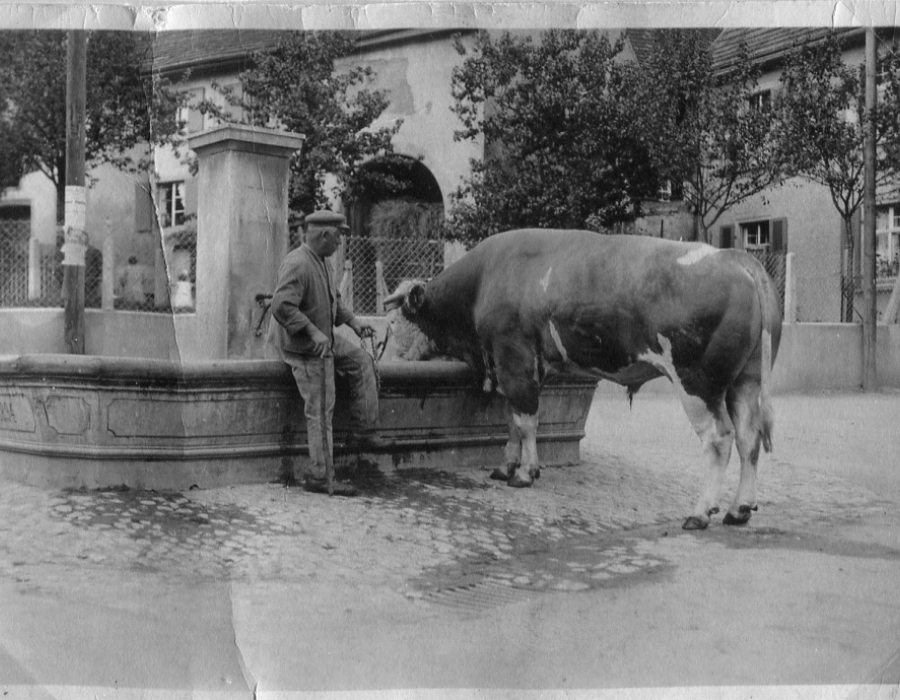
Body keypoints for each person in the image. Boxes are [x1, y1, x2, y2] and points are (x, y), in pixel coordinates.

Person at [268, 209, 389, 495]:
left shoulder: (322, 262)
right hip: (306, 350)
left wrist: (355, 323)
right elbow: (281, 306)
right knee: (322, 410)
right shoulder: (297, 263)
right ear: (324, 235)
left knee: (361, 360)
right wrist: (312, 331)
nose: (339, 243)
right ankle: (320, 477)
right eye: (337, 237)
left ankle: (364, 431)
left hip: (326, 339)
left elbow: (335, 299)